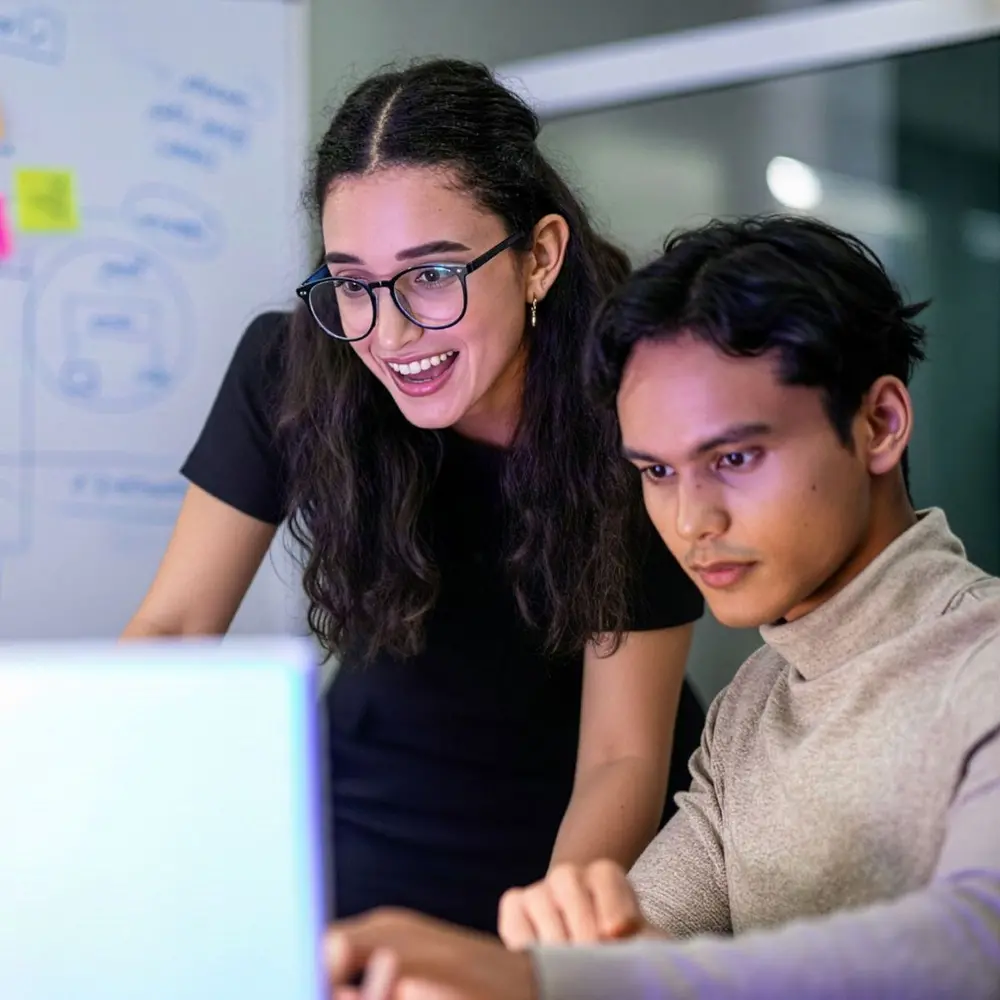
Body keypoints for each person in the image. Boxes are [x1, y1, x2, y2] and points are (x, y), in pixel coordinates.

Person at [324, 215, 1000, 999]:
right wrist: (559, 954)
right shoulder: (751, 707)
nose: (691, 522)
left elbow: (975, 944)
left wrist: (560, 980)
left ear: (879, 423)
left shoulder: (983, 664)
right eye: (656, 471)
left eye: (735, 458)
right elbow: (639, 948)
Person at [122, 58, 705, 934]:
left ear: (539, 257)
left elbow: (621, 759)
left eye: (433, 275)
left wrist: (540, 958)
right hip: (358, 828)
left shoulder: (635, 406)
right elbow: (172, 631)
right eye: (353, 282)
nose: (389, 333)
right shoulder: (291, 370)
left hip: (577, 852)